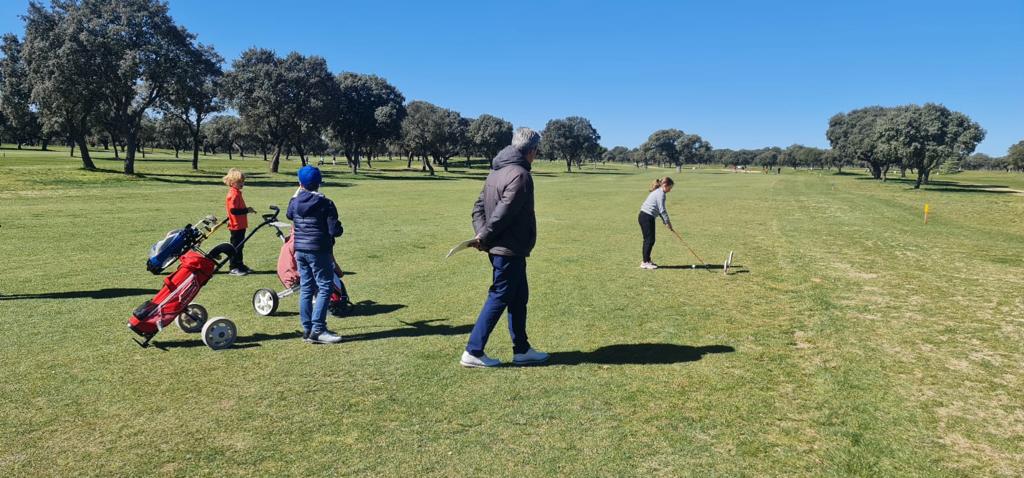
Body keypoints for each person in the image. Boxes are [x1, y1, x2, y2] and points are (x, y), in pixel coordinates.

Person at [461, 128, 549, 368]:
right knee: (499, 295)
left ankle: (522, 349)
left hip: (506, 248)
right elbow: (503, 213)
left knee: (519, 297)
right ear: (531, 151)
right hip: (508, 248)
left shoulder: (495, 171)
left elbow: (478, 208)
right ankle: (473, 350)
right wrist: (485, 236)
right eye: (537, 152)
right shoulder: (520, 175)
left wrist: (481, 235)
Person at [287, 165, 344, 344]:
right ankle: (318, 329)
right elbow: (334, 230)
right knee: (325, 286)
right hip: (319, 250)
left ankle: (307, 329)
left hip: (300, 250)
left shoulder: (294, 202)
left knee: (306, 287)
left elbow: (289, 215)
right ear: (319, 183)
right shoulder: (326, 203)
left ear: (300, 183)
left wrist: (299, 191)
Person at [223, 168, 255, 276]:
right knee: (235, 247)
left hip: (241, 225)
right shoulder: (233, 194)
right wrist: (247, 210)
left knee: (240, 246)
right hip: (235, 226)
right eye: (239, 182)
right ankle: (233, 267)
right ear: (232, 183)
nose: (242, 183)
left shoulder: (237, 193)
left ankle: (240, 265)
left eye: (243, 181)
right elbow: (233, 210)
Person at [638, 177, 674, 270]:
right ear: (665, 185)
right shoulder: (661, 193)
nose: (670, 190)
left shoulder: (659, 192)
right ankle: (645, 262)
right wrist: (667, 222)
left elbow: (659, 210)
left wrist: (665, 222)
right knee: (649, 240)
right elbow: (662, 210)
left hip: (646, 216)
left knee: (650, 239)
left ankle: (647, 260)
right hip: (646, 217)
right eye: (670, 187)